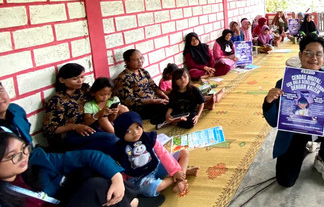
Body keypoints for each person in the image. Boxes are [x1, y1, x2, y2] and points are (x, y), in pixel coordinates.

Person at [263, 34, 324, 187]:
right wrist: (268, 102)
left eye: (318, 54)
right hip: (294, 132)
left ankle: (322, 160)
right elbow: (274, 122)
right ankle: (303, 148)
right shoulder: (285, 82)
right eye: (308, 52)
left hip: (320, 127)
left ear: (323, 58)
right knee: (285, 181)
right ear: (300, 55)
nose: (313, 57)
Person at [0, 132, 136, 207]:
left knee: (97, 178)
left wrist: (117, 178)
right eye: (13, 156)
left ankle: (124, 198)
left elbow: (89, 156)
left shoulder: (35, 159)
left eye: (24, 148)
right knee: (99, 187)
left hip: (65, 201)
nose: (24, 156)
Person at [111, 112, 198, 198]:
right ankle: (178, 176)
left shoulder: (149, 138)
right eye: (128, 131)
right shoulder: (119, 149)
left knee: (184, 153)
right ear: (121, 133)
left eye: (138, 127)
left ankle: (179, 180)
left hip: (156, 166)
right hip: (140, 177)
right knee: (150, 188)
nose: (135, 133)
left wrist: (175, 171)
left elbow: (163, 154)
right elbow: (117, 169)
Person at [44, 63, 118, 152]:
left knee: (129, 120)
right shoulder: (57, 101)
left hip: (93, 125)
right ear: (62, 80)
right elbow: (50, 129)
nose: (80, 81)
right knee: (111, 139)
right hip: (71, 136)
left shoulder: (84, 90)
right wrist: (74, 127)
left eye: (82, 77)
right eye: (75, 79)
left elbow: (102, 98)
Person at [114, 50, 168, 125]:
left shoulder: (143, 72)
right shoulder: (124, 78)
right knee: (165, 108)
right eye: (136, 60)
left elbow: (154, 87)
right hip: (141, 108)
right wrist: (153, 101)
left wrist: (164, 96)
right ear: (127, 62)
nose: (140, 61)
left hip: (155, 100)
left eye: (141, 58)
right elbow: (129, 101)